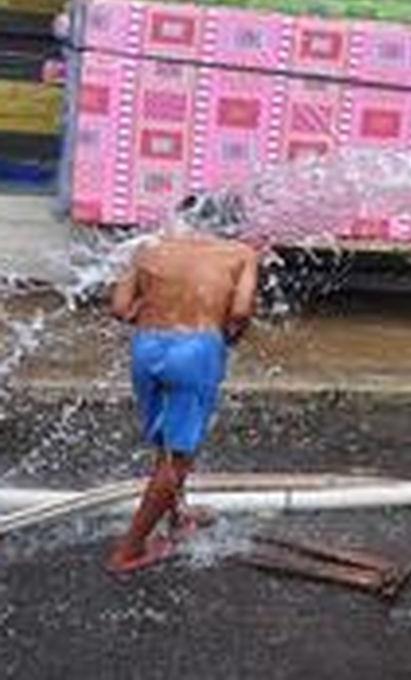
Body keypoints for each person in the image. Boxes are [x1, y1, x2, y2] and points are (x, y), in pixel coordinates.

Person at [106, 195, 258, 573]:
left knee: (165, 441)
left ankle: (176, 516)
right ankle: (129, 551)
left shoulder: (148, 248)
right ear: (232, 224)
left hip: (147, 346)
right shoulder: (241, 253)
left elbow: (119, 307)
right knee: (181, 455)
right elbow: (240, 311)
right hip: (196, 349)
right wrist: (228, 335)